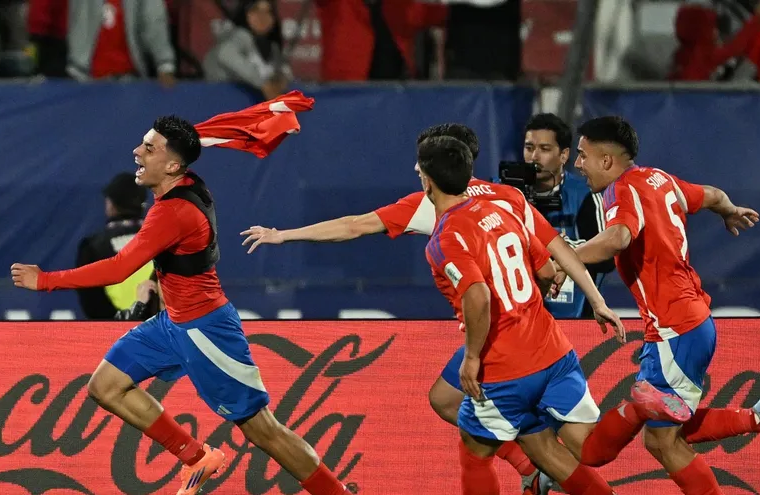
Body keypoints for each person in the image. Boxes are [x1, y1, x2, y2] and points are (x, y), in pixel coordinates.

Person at [241, 123, 612, 493]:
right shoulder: (507, 198)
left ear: (430, 174)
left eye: (420, 166)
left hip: (497, 351)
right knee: (447, 400)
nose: (417, 171)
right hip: (545, 340)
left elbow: (354, 226)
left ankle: (528, 460)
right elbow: (548, 263)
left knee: (479, 441)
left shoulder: (433, 215)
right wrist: (582, 295)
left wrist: (284, 235)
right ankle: (539, 464)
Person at [11, 116, 351, 495]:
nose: (137, 152)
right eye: (143, 143)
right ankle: (198, 457)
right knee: (106, 386)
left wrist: (45, 280)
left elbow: (120, 268)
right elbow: (184, 241)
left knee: (263, 430)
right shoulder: (186, 184)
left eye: (149, 148)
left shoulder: (172, 211)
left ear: (173, 166)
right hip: (172, 323)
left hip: (206, 331)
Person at [557, 116, 760, 493]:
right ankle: (758, 418)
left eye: (582, 155)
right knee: (662, 438)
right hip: (689, 324)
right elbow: (709, 193)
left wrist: (569, 254)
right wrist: (727, 209)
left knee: (654, 442)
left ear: (607, 160)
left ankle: (661, 407)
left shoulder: (621, 190)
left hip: (673, 330)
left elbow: (618, 238)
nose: (577, 165)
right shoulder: (658, 178)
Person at [415, 135, 634, 495]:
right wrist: (595, 299)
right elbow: (549, 267)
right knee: (582, 447)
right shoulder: (503, 206)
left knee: (475, 451)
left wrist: (471, 359)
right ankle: (637, 412)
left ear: (427, 180)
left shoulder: (445, 239)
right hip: (554, 354)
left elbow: (478, 296)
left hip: (504, 370)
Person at [520, 113, 614, 318]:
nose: (534, 157)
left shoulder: (585, 196)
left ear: (563, 155)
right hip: (520, 321)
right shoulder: (507, 194)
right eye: (529, 148)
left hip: (575, 322)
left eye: (544, 149)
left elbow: (608, 259)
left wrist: (563, 256)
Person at [76, 172, 153, 319]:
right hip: (161, 330)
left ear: (111, 204)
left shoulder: (93, 246)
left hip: (116, 332)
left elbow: (92, 304)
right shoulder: (166, 239)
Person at [203, 0, 292, 100]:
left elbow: (283, 74)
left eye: (268, 12)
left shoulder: (272, 47)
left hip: (247, 104)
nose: (262, 17)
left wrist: (279, 81)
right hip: (217, 98)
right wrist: (263, 84)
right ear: (245, 14)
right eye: (255, 11)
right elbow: (225, 54)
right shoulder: (240, 35)